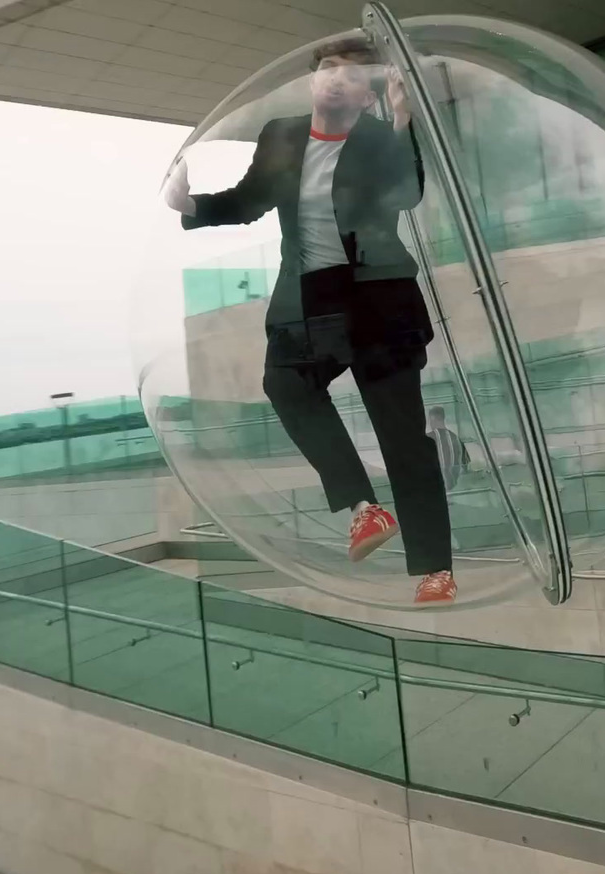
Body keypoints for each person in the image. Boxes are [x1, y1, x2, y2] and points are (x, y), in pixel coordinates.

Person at [164, 37, 457, 604]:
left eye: (352, 74)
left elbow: (407, 193)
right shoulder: (282, 134)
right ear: (313, 80)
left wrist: (402, 122)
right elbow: (250, 200)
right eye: (327, 68)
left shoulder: (378, 139)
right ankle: (362, 508)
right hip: (310, 299)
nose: (336, 79)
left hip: (378, 298)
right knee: (284, 383)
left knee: (402, 437)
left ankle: (434, 571)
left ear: (367, 93)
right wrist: (192, 206)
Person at [426, 405, 470, 492]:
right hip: (453, 487)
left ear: (433, 418)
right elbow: (465, 466)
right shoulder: (456, 438)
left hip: (434, 487)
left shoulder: (429, 439)